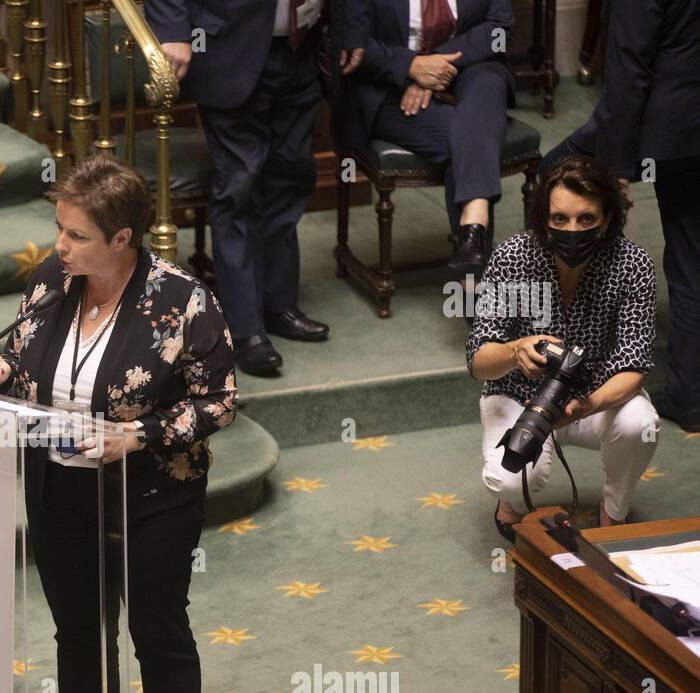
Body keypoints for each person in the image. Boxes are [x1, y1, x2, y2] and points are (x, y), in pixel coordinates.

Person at [0, 155, 237, 693]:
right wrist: (1, 377)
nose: (61, 247)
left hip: (152, 493)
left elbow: (220, 402)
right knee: (79, 632)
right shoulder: (52, 283)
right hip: (59, 487)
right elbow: (32, 374)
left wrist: (138, 435)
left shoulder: (182, 300)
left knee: (157, 631)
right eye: (60, 229)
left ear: (123, 239)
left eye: (77, 235)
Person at [146, 0, 369, 377]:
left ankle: (277, 303)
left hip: (303, 50)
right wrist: (172, 32)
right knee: (240, 187)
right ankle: (245, 327)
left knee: (292, 177)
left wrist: (353, 28)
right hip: (227, 49)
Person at [467, 156, 659, 539]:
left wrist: (586, 405)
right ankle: (512, 503)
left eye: (586, 219)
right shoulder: (513, 256)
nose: (573, 229)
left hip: (593, 399)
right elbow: (478, 361)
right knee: (508, 478)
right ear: (544, 218)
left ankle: (614, 511)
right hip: (521, 398)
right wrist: (515, 349)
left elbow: (634, 366)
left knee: (641, 425)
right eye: (560, 219)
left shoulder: (632, 263)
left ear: (606, 220)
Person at [540, 0, 700, 431]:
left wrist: (613, 168)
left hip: (672, 125)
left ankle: (551, 330)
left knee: (551, 177)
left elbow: (630, 69)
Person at [341, 0, 516, 274]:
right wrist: (411, 67)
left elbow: (500, 31)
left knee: (488, 83)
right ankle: (475, 274)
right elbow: (348, 40)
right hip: (386, 87)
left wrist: (437, 64)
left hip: (469, 70)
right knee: (470, 136)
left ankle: (473, 225)